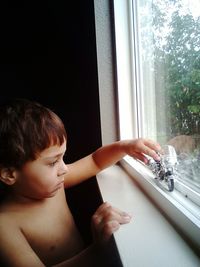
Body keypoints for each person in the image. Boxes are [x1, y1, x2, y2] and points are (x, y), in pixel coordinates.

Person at [0, 98, 161, 267]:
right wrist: (97, 250)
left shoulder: (56, 183)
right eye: (53, 162)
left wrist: (125, 147)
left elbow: (94, 162)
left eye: (62, 157)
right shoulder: (5, 226)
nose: (64, 169)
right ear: (9, 173)